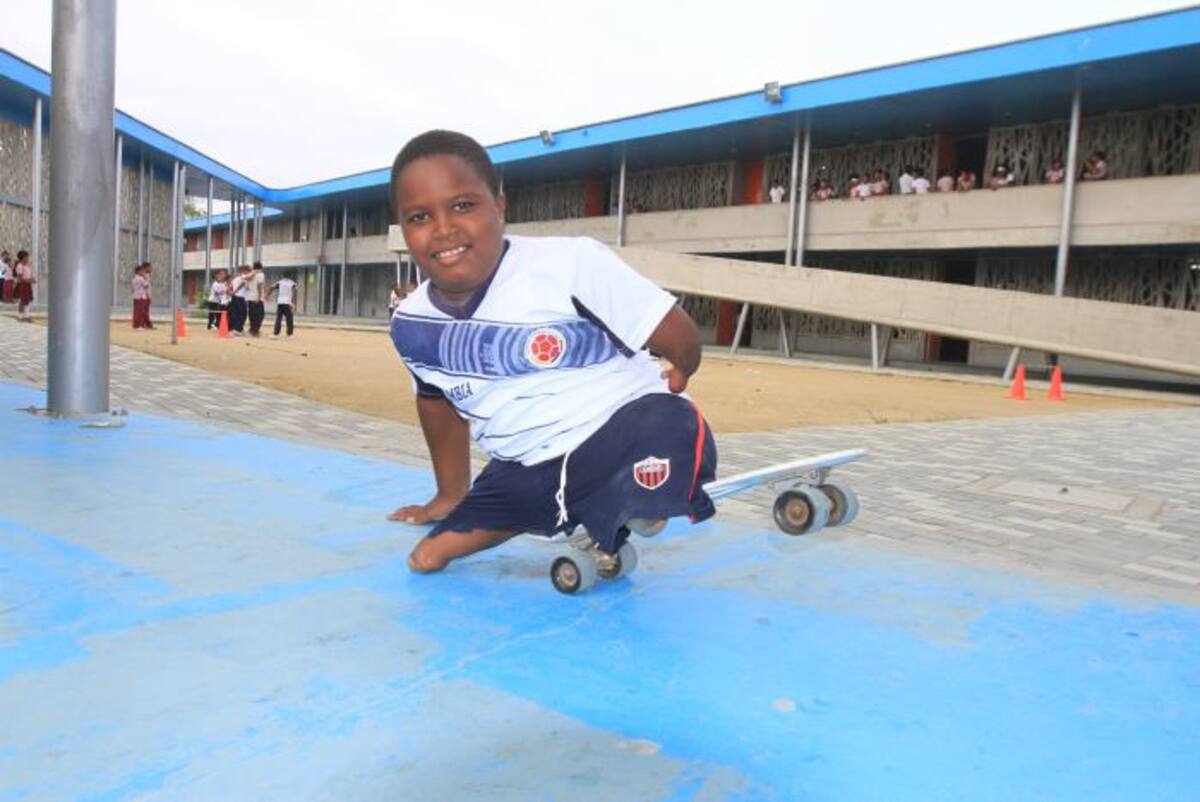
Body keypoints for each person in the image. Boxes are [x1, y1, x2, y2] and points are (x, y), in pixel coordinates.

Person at [386, 129, 717, 575]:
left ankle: (631, 497)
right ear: (403, 229)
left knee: (665, 425)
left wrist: (684, 365)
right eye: (420, 216)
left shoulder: (569, 264)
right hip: (528, 468)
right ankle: (591, 506)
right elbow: (436, 404)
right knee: (426, 559)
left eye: (463, 205)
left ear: (499, 205)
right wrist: (449, 496)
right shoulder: (410, 322)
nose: (444, 229)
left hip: (617, 432)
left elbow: (678, 334)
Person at [270, 272, 298, 337]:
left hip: (280, 302)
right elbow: (295, 291)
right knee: (289, 318)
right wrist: (293, 302)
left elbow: (272, 287)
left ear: (283, 276)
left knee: (279, 318)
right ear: (290, 276)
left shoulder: (280, 282)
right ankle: (290, 333)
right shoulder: (292, 283)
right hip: (288, 303)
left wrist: (267, 295)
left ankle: (276, 333)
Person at [13, 250, 35, 322]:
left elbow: (27, 275)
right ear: (23, 257)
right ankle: (20, 316)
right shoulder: (20, 266)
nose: (28, 258)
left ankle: (26, 316)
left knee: (27, 300)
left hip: (27, 285)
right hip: (22, 285)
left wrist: (31, 279)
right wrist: (28, 280)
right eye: (27, 257)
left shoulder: (26, 266)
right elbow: (19, 278)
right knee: (23, 301)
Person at [228, 265, 251, 335]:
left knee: (236, 314)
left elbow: (229, 288)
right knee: (242, 314)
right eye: (248, 270)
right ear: (243, 270)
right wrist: (235, 291)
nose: (249, 272)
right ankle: (237, 329)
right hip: (240, 298)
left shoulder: (235, 279)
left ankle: (239, 329)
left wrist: (231, 293)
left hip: (235, 298)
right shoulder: (244, 277)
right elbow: (243, 284)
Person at [247, 262, 267, 337]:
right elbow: (259, 285)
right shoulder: (260, 274)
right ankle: (255, 331)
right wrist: (259, 297)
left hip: (250, 297)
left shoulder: (250, 274)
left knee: (252, 314)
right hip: (257, 298)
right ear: (261, 267)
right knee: (260, 315)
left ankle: (252, 330)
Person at [131, 262, 153, 329]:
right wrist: (145, 278)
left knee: (138, 311)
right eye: (149, 267)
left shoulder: (134, 278)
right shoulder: (141, 278)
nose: (151, 268)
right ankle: (141, 325)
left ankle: (138, 324)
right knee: (141, 312)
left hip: (137, 296)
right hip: (141, 297)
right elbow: (146, 285)